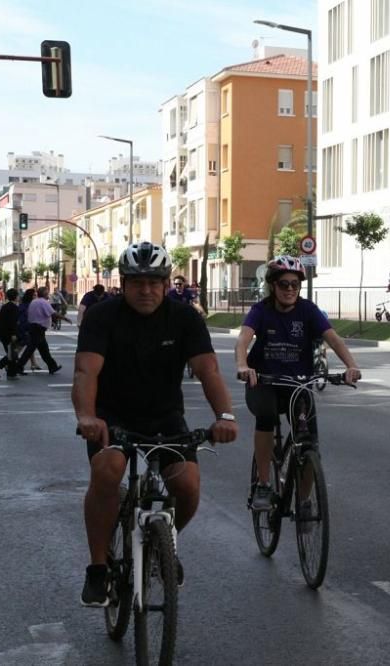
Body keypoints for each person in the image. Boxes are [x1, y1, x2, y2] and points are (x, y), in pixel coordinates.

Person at [74, 241, 238, 607]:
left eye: (154, 282)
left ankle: (162, 545)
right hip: (111, 417)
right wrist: (87, 416)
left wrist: (224, 416)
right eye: (137, 283)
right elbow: (86, 371)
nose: (146, 290)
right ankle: (98, 568)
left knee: (189, 485)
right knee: (109, 469)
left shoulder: (185, 318)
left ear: (166, 284)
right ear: (124, 283)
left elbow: (207, 369)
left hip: (165, 416)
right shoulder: (103, 316)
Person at [235, 255, 362, 510]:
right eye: (284, 284)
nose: (290, 289)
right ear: (272, 285)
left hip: (298, 383)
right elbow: (243, 340)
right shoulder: (261, 310)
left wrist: (351, 365)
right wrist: (243, 366)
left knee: (309, 441)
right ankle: (263, 484)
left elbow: (334, 339)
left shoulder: (308, 310)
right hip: (264, 381)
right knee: (267, 418)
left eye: (295, 284)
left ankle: (304, 501)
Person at [14, 286, 64, 374]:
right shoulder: (43, 302)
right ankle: (18, 367)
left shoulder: (34, 301)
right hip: (38, 328)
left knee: (44, 349)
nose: (48, 294)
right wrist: (65, 318)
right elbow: (53, 313)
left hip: (35, 328)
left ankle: (52, 366)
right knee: (30, 350)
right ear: (44, 294)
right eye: (47, 292)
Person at [0, 289, 21, 380]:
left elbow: (0, 321)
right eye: (18, 295)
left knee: (11, 354)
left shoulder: (5, 306)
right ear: (15, 297)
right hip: (10, 334)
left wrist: (0, 333)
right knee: (12, 354)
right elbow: (13, 322)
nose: (19, 297)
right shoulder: (14, 308)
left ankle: (11, 374)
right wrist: (14, 334)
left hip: (3, 333)